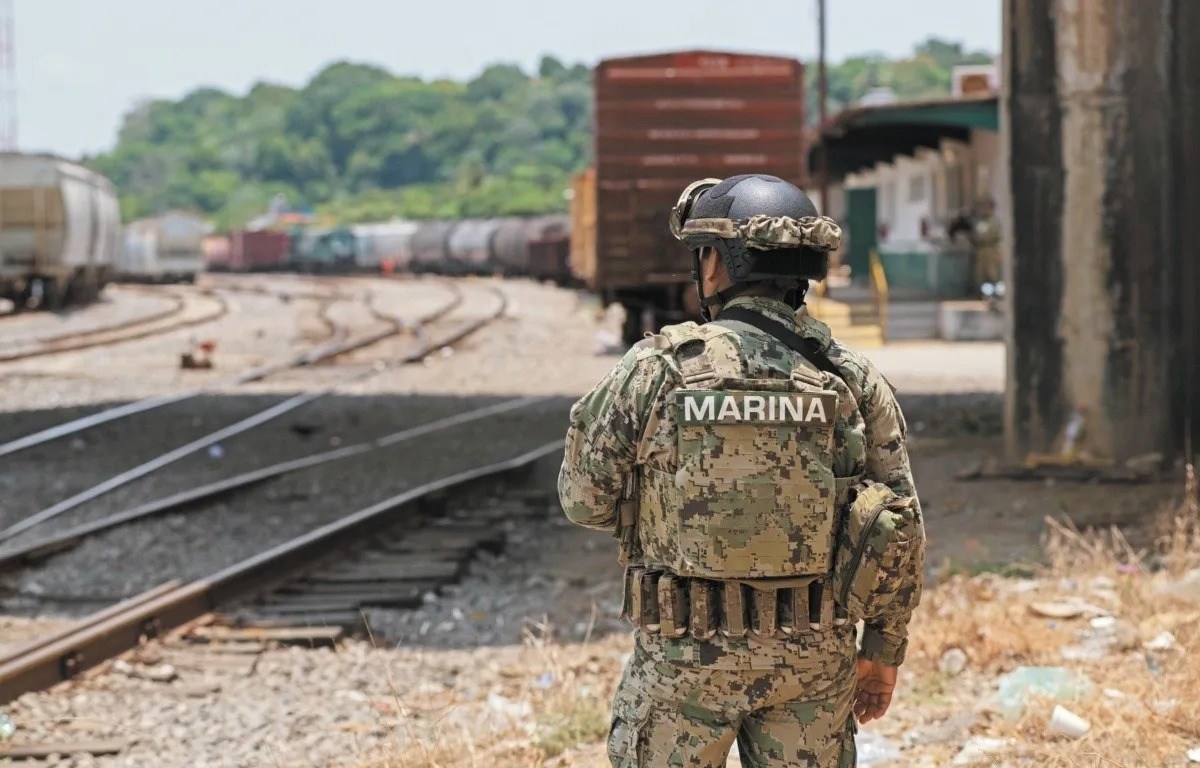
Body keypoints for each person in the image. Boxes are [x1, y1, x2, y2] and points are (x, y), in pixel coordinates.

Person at [558, 174, 925, 767]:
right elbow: (899, 526)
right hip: (813, 660)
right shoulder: (851, 378)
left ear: (717, 265)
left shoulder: (658, 370)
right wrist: (885, 648)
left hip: (685, 659)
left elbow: (583, 501)